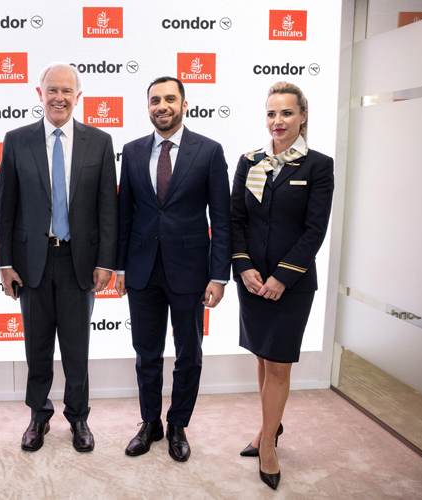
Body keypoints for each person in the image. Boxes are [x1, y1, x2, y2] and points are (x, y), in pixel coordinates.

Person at [0, 63, 118, 453]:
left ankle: (78, 417)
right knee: (37, 348)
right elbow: (5, 207)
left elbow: (108, 209)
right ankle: (38, 415)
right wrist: (4, 263)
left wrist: (106, 262)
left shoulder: (100, 142)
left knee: (77, 349)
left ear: (78, 96)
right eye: (52, 90)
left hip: (79, 263)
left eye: (67, 91)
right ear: (40, 94)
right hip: (31, 262)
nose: (59, 98)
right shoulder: (17, 140)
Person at [115, 76, 231, 462]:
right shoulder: (132, 151)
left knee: (189, 354)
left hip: (191, 271)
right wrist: (120, 268)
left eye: (169, 99)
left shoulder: (209, 151)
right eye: (154, 100)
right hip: (142, 270)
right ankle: (150, 422)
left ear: (184, 104)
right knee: (146, 353)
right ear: (148, 107)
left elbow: (222, 219)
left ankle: (178, 423)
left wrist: (218, 275)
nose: (161, 106)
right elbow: (124, 215)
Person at [230, 81, 334, 489]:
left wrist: (282, 277)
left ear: (302, 116)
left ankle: (269, 445)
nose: (278, 121)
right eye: (272, 113)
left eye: (287, 113)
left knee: (278, 364)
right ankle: (268, 427)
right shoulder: (249, 161)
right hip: (253, 282)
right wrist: (244, 267)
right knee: (262, 358)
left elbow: (314, 230)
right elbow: (235, 220)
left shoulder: (318, 165)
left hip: (291, 285)